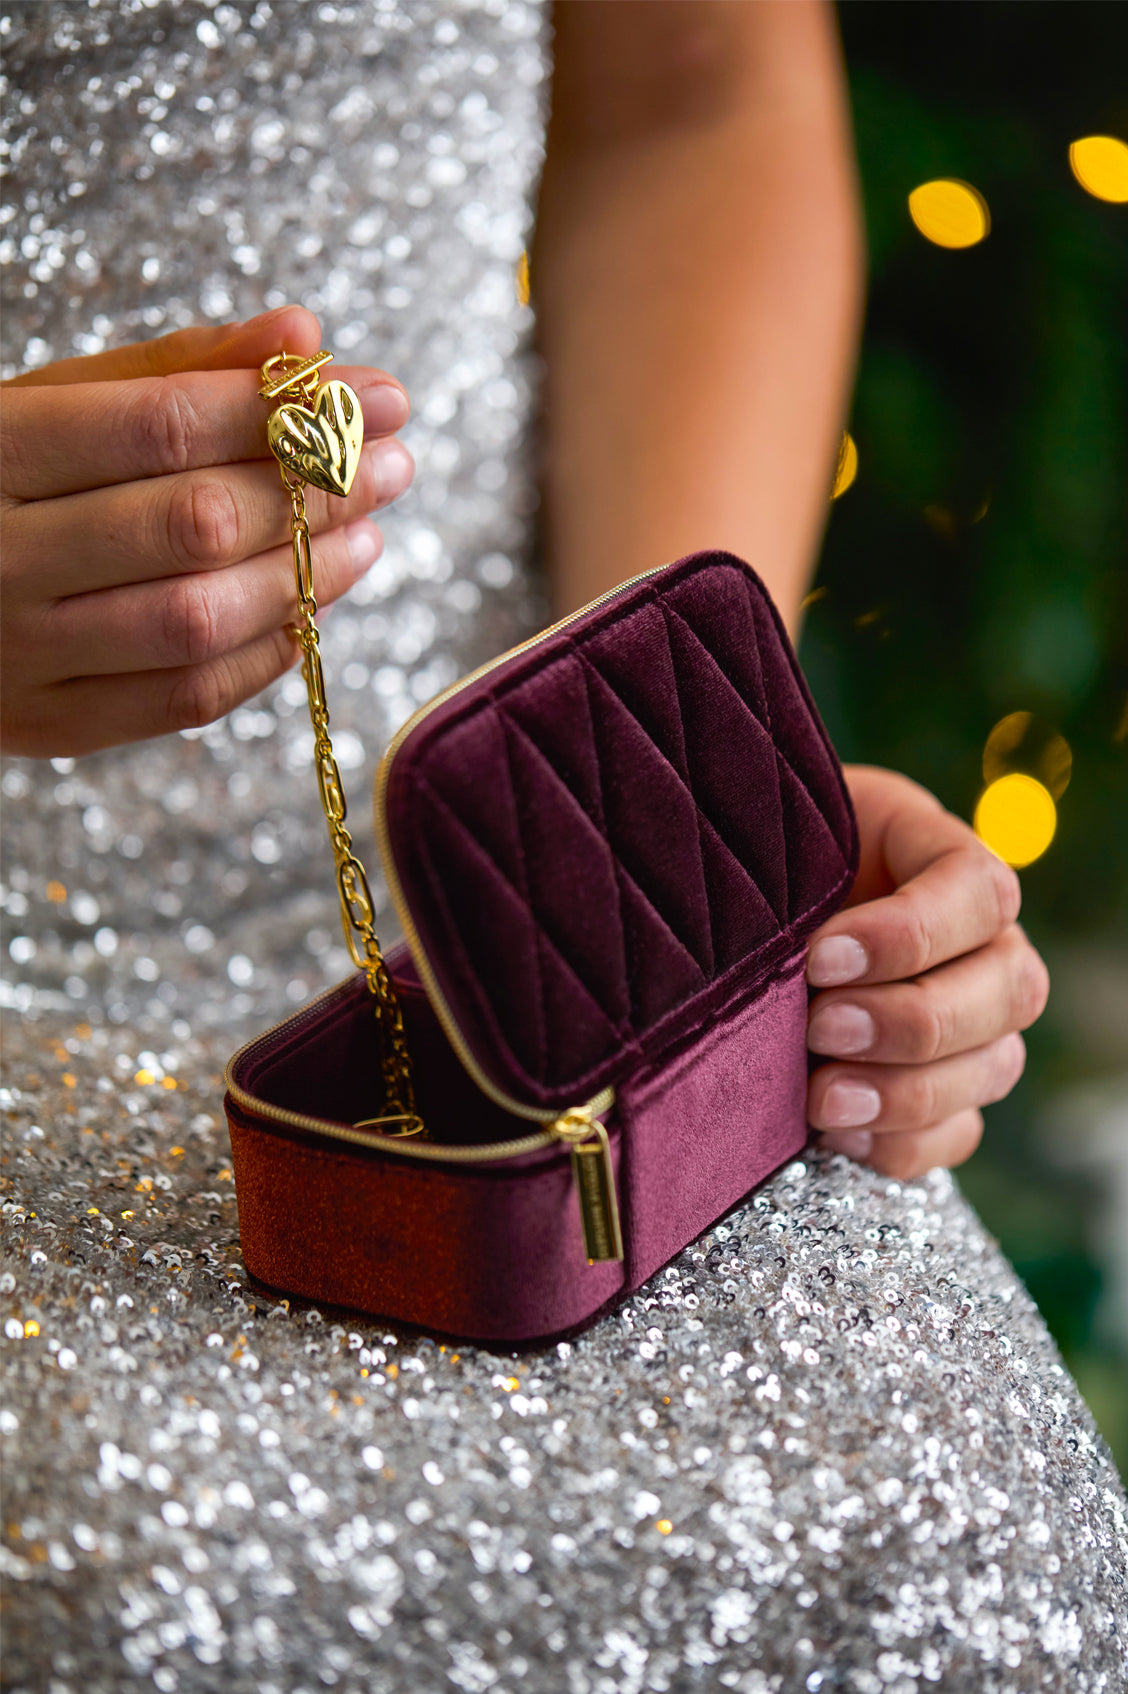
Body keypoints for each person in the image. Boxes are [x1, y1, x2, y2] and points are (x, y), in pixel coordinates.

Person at [1, 4, 1122, 1689]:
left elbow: (698, 96)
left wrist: (679, 773)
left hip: (521, 850)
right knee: (114, 1579)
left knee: (970, 1514)